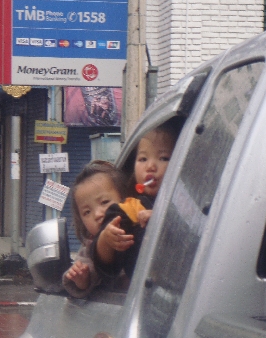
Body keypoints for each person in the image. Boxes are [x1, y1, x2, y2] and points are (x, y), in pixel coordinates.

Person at [92, 118, 183, 280]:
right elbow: (105, 265)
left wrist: (163, 219)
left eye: (163, 158)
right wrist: (106, 239)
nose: (151, 166)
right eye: (143, 159)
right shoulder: (128, 209)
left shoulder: (191, 204)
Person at [62, 160, 128, 298]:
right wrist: (81, 279)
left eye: (104, 202)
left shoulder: (143, 226)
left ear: (125, 198)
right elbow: (86, 272)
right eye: (87, 212)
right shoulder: (89, 247)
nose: (98, 214)